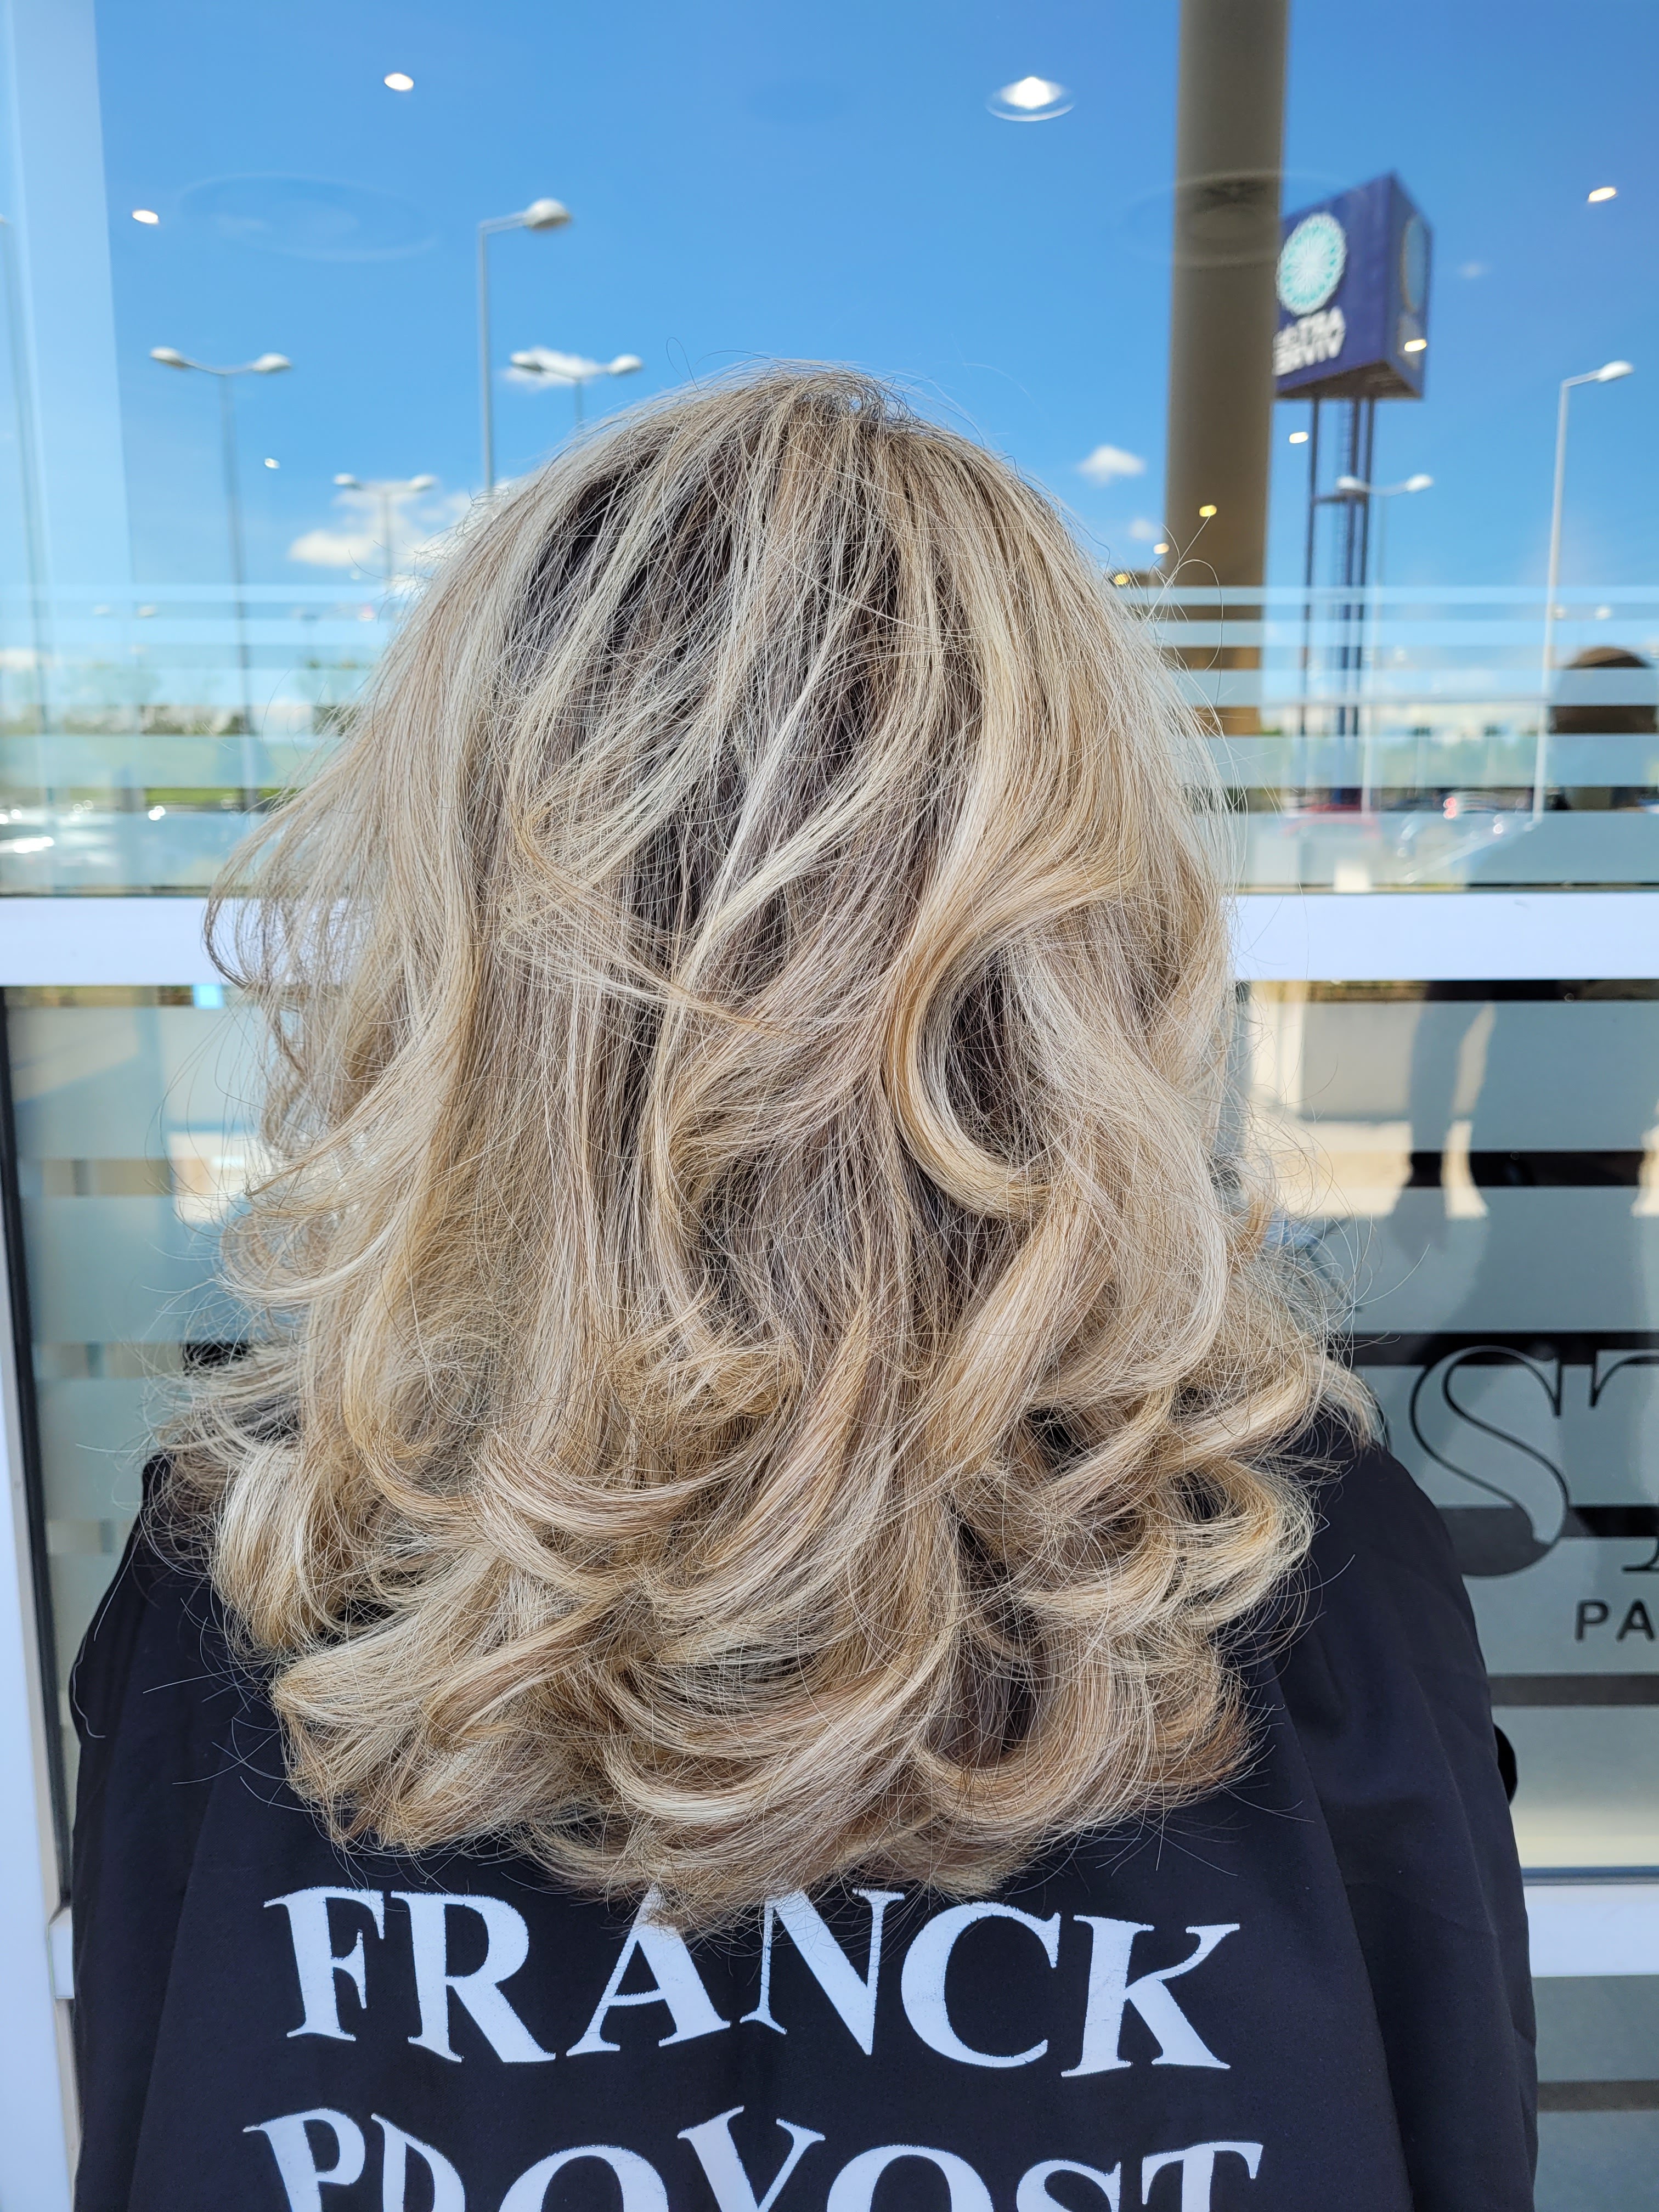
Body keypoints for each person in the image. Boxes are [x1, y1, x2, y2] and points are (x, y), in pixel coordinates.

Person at [71, 369, 1534, 2211]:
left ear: (468, 919)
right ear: (1079, 921)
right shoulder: (1294, 1564)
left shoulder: (254, 1570)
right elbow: (1457, 2138)